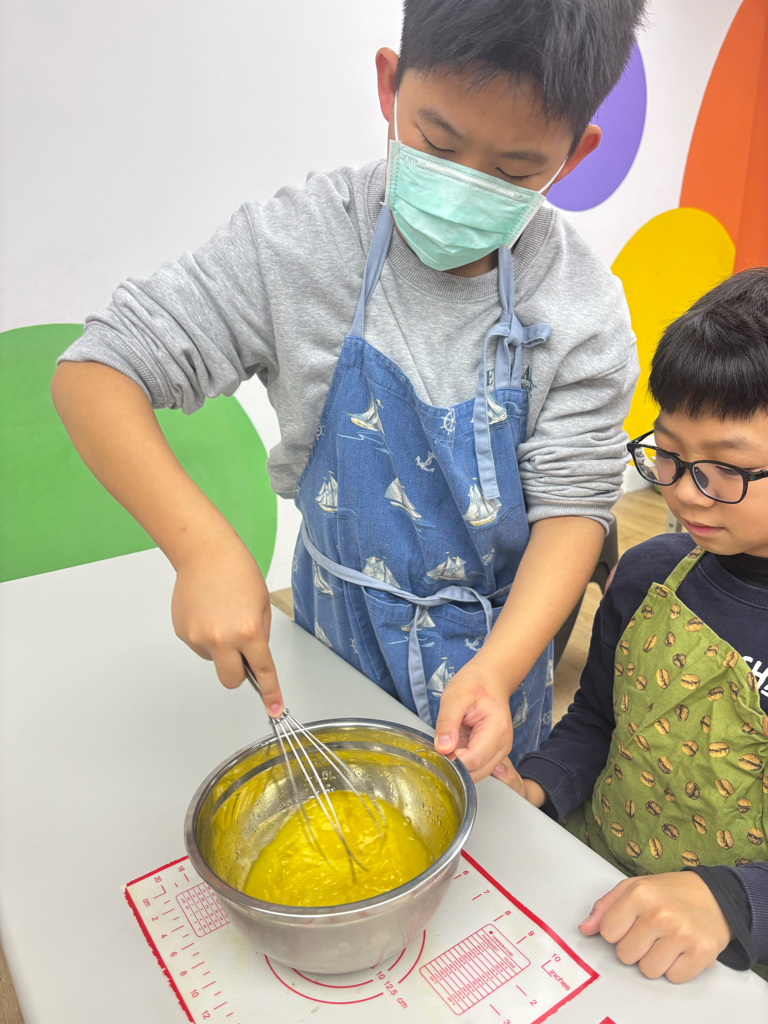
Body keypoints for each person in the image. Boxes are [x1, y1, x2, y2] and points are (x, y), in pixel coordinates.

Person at [51, 0, 645, 780]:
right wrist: (201, 551)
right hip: (331, 638)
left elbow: (573, 509)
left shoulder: (582, 311)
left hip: (494, 659)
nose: (465, 187)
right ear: (390, 85)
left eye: (512, 172)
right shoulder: (301, 243)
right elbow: (96, 371)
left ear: (575, 155)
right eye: (438, 142)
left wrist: (497, 671)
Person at [495, 267, 768, 981]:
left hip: (729, 962)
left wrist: (733, 901)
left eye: (725, 469)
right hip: (592, 889)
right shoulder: (649, 575)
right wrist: (538, 787)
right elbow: (597, 720)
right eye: (669, 454)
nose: (684, 492)